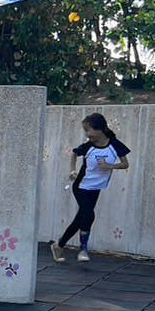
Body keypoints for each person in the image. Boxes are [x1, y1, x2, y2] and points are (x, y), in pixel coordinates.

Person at [51, 112, 130, 263]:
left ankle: (59, 245)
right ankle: (83, 249)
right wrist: (73, 171)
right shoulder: (88, 146)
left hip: (96, 188)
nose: (87, 134)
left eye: (89, 130)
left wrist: (110, 166)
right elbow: (74, 154)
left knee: (80, 218)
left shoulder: (114, 145)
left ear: (100, 129)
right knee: (89, 214)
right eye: (85, 131)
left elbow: (125, 164)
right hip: (81, 186)